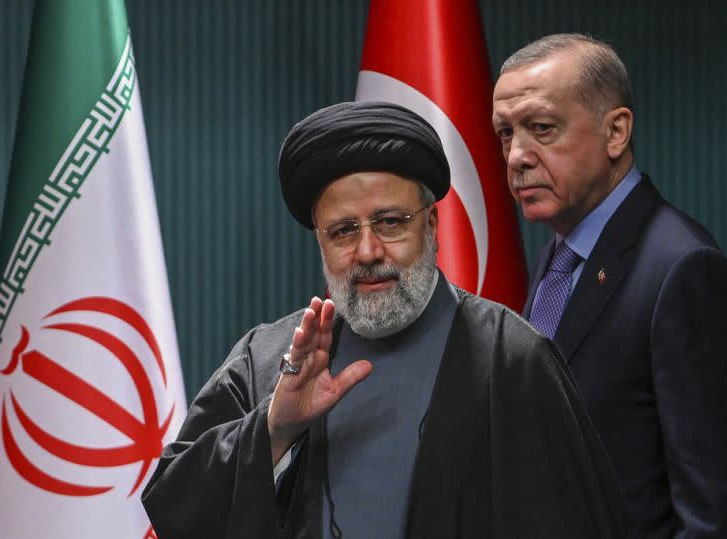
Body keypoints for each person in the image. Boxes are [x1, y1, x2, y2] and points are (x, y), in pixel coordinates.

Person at [141, 101, 627, 538]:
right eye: (343, 231)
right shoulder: (267, 360)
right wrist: (272, 430)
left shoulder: (512, 360)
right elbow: (174, 508)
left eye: (391, 222)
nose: (368, 251)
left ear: (432, 225)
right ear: (321, 242)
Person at [492, 33, 727, 538]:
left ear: (615, 132)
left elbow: (717, 519)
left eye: (541, 128)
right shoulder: (559, 252)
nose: (516, 157)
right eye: (506, 133)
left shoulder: (687, 271)